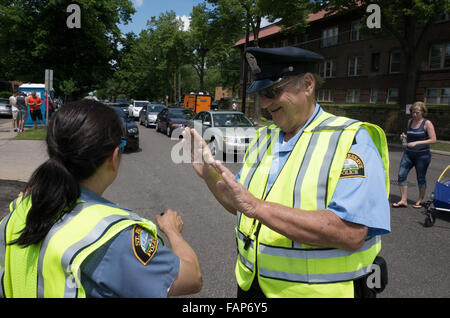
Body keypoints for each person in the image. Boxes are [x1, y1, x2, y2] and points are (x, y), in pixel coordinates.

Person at [183, 46, 390, 298]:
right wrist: (207, 172)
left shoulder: (351, 138)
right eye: (261, 94)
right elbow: (238, 204)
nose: (265, 103)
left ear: (308, 84)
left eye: (272, 91)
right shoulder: (264, 137)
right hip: (252, 287)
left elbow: (350, 233)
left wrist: (256, 207)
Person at [0, 100, 202, 298]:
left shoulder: (17, 213)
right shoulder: (113, 236)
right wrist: (173, 232)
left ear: (49, 152)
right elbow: (192, 278)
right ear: (113, 158)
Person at [392, 101, 436, 209]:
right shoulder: (410, 121)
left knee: (420, 178)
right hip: (409, 153)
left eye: (417, 112)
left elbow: (433, 140)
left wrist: (417, 143)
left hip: (422, 155)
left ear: (422, 112)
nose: (414, 115)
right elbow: (411, 136)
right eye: (413, 112)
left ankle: (420, 200)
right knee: (401, 175)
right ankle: (403, 200)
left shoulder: (427, 123)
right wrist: (404, 137)